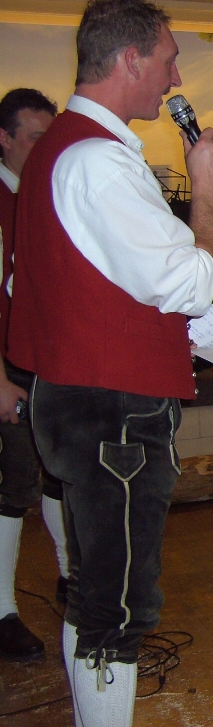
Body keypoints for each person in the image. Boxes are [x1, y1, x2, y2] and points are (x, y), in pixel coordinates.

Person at [6, 0, 213, 727]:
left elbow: (31, 284)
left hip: (78, 398)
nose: (175, 79)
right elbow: (190, 283)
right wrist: (205, 191)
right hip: (113, 413)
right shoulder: (98, 162)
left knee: (96, 589)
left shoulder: (59, 151)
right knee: (118, 604)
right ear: (130, 59)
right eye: (169, 60)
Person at [0, 87, 68, 664]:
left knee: (59, 476)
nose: (45, 150)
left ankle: (71, 578)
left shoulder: (50, 193)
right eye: (34, 139)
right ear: (4, 138)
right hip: (8, 366)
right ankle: (2, 612)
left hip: (52, 360)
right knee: (14, 486)